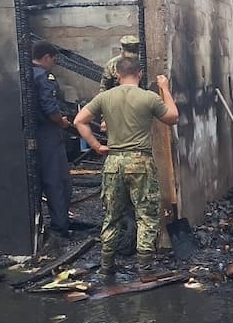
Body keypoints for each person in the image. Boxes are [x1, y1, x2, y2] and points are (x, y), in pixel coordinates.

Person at [74, 56, 179, 276]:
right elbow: (172, 117)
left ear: (117, 75)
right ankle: (145, 269)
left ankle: (106, 266)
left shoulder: (104, 97)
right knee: (146, 216)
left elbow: (79, 121)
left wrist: (96, 146)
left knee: (112, 216)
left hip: (113, 161)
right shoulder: (148, 97)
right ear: (140, 74)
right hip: (140, 162)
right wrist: (164, 89)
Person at [32, 41, 73, 239]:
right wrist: (62, 122)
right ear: (46, 57)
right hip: (48, 133)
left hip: (30, 134)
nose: (53, 63)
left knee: (35, 181)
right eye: (53, 59)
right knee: (57, 181)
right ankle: (60, 226)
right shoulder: (43, 77)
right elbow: (50, 108)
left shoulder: (25, 73)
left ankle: (37, 227)